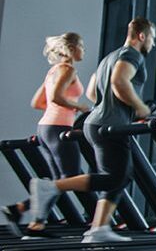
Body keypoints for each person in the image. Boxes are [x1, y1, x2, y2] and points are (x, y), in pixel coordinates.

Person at [27, 19, 156, 243]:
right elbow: (119, 82)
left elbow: (91, 92)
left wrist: (107, 107)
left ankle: (99, 228)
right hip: (110, 125)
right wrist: (140, 107)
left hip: (95, 122)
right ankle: (51, 187)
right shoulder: (132, 55)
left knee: (120, 175)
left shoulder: (109, 57)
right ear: (142, 36)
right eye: (152, 38)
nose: (153, 44)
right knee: (113, 176)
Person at [2, 33, 93, 238]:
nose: (84, 50)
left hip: (45, 128)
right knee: (68, 177)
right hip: (58, 129)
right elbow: (56, 97)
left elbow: (38, 103)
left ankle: (28, 217)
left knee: (56, 180)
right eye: (82, 46)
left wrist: (62, 107)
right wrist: (79, 106)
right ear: (72, 48)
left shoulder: (52, 71)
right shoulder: (68, 69)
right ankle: (30, 217)